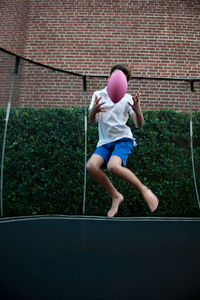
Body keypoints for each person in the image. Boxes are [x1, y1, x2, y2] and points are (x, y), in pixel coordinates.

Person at [86, 64, 159, 218]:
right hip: (105, 142)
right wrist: (94, 111)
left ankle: (145, 190)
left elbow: (139, 125)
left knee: (113, 166)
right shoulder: (98, 94)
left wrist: (138, 109)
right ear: (109, 78)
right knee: (91, 166)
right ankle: (116, 196)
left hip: (123, 139)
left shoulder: (127, 98)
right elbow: (93, 121)